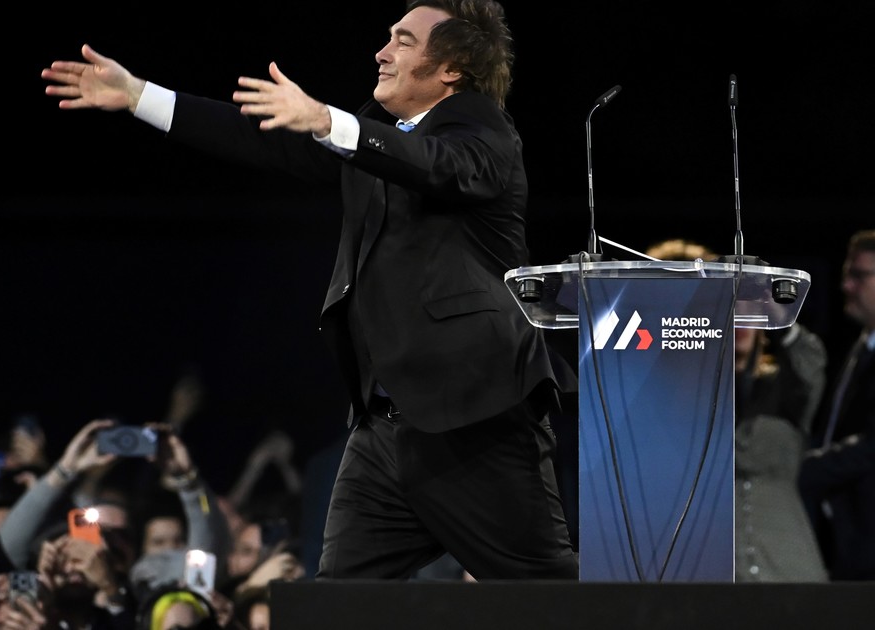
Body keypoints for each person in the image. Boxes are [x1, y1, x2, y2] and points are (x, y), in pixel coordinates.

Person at [41, 0, 575, 579]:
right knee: (337, 603)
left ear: (452, 68)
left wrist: (327, 120)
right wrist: (139, 95)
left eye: (403, 40)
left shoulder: (482, 128)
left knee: (548, 593)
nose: (382, 52)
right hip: (383, 429)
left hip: (476, 417)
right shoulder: (376, 136)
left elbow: (440, 165)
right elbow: (263, 139)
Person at [646, 238, 829, 582]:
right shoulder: (683, 393)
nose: (741, 317)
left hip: (786, 561)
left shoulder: (787, 385)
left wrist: (772, 302)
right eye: (730, 306)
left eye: (749, 306)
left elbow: (809, 365)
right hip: (705, 562)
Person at [799, 229, 875, 579]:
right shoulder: (859, 348)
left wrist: (796, 470)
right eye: (847, 275)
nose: (846, 286)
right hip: (847, 549)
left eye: (859, 276)